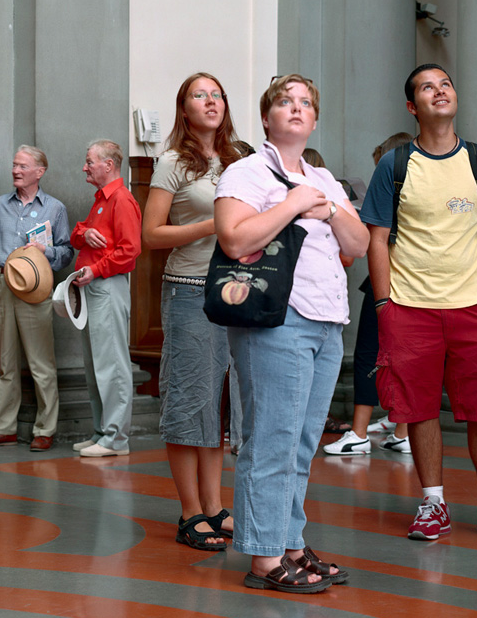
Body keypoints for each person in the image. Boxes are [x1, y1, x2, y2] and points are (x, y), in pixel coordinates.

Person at [215, 74, 368, 591]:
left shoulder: (322, 179)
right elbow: (234, 240)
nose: (297, 109)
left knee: (301, 443)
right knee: (271, 439)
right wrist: (294, 203)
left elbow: (360, 241)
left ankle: (292, 544)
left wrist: (322, 204)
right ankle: (263, 558)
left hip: (327, 320)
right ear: (266, 117)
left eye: (306, 103)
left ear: (315, 119)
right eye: (285, 102)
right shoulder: (246, 172)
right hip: (274, 319)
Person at [360, 64, 477, 543]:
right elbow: (377, 238)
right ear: (413, 107)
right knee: (419, 406)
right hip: (409, 308)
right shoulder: (395, 165)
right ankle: (433, 501)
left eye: (446, 83)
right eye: (428, 87)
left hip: (473, 306)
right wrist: (385, 304)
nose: (440, 91)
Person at [144, 72, 246, 547]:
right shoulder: (171, 163)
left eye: (217, 94)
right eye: (198, 95)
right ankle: (189, 513)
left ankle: (214, 505)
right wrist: (212, 224)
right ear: (184, 110)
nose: (211, 101)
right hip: (189, 289)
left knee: (219, 405)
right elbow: (151, 235)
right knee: (190, 400)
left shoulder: (240, 158)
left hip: (236, 291)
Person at [0, 147, 75, 451]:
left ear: (39, 171)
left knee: (41, 362)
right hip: (1, 282)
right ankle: (4, 428)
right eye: (14, 165)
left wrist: (48, 252)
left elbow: (67, 252)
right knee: (6, 362)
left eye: (23, 166)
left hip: (35, 286)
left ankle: (45, 429)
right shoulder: (0, 205)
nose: (16, 170)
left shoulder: (54, 208)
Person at [326, 132, 412, 456]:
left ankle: (358, 432)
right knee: (405, 358)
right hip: (416, 284)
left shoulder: (390, 188)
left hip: (386, 280)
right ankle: (403, 431)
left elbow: (374, 238)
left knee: (367, 352)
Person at [69, 139, 143, 458]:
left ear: (108, 165)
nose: (85, 167)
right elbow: (76, 236)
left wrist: (96, 269)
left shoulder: (121, 200)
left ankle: (115, 438)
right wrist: (83, 234)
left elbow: (130, 252)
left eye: (90, 161)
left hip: (107, 284)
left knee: (112, 363)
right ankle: (102, 431)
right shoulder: (100, 200)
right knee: (95, 362)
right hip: (94, 286)